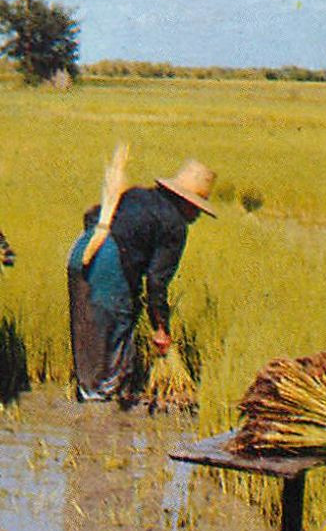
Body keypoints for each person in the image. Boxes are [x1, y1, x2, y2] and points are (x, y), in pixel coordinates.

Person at [66, 159, 216, 402]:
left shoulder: (136, 194)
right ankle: (102, 419)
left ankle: (88, 399)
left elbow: (92, 214)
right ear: (185, 201)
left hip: (82, 251)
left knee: (89, 336)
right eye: (196, 208)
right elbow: (157, 282)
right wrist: (160, 328)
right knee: (114, 344)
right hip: (108, 264)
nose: (197, 215)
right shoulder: (175, 225)